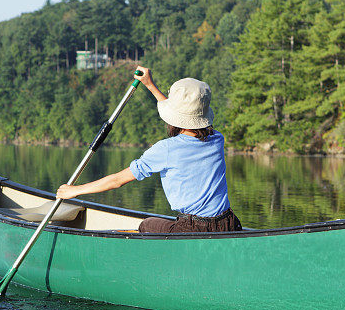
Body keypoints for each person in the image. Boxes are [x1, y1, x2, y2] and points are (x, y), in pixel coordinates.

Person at [55, 66, 242, 233]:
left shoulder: (166, 149)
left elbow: (118, 180)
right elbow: (181, 116)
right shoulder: (217, 138)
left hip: (194, 228)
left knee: (147, 225)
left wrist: (76, 190)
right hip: (228, 223)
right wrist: (150, 85)